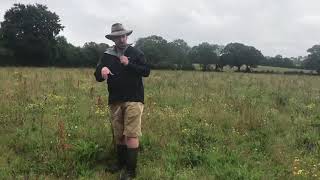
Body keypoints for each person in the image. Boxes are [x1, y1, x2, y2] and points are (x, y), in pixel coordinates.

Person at [94, 23, 150, 179]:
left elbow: (146, 71)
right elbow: (97, 75)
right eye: (118, 36)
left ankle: (131, 171)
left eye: (123, 35)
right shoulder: (107, 55)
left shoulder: (136, 52)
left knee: (131, 134)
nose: (121, 38)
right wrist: (101, 71)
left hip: (134, 99)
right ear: (113, 38)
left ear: (127, 36)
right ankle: (120, 164)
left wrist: (129, 64)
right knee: (119, 135)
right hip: (115, 100)